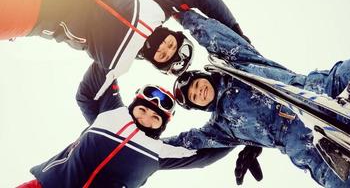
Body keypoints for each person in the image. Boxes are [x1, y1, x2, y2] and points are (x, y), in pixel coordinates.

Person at [164, 10, 350, 187]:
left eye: (198, 85)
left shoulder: (237, 65)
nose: (200, 92)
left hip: (322, 90)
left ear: (205, 77)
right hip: (309, 148)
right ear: (198, 106)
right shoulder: (221, 128)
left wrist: (180, 14)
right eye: (194, 97)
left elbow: (211, 34)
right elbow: (185, 143)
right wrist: (143, 150)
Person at [0, 0, 250, 100]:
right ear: (173, 33)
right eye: (172, 46)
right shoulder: (156, 6)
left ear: (155, 62)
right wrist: (237, 35)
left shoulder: (118, 62)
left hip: (32, 15)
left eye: (165, 56)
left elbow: (88, 96)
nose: (164, 49)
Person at [17, 80, 233, 188]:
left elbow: (204, 155)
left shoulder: (159, 151)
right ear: (132, 107)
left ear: (162, 126)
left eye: (156, 118)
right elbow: (100, 76)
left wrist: (244, 135)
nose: (146, 119)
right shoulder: (112, 113)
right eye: (143, 110)